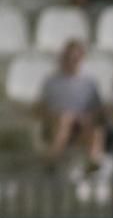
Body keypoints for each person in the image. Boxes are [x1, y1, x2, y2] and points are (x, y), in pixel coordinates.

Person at [35, 39, 106, 172]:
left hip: (81, 127)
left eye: (75, 57)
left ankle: (93, 162)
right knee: (64, 118)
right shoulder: (51, 81)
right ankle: (53, 157)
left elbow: (97, 111)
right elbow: (42, 108)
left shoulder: (90, 83)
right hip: (55, 124)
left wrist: (83, 118)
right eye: (68, 57)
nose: (71, 60)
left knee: (95, 131)